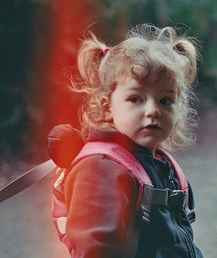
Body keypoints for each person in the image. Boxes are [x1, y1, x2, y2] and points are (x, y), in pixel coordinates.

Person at [47, 24, 203, 258]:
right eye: (136, 98)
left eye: (165, 100)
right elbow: (97, 250)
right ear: (107, 106)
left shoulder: (153, 158)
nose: (153, 110)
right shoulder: (101, 167)